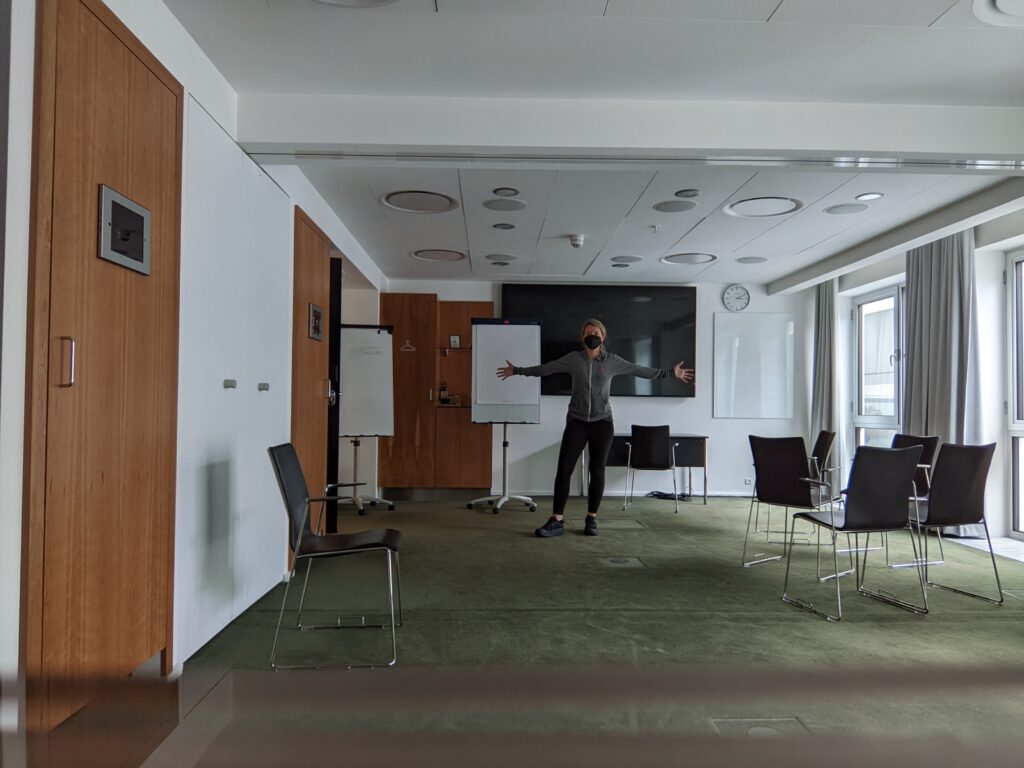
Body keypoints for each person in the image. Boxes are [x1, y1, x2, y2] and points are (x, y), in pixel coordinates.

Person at [496, 318, 694, 538]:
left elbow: (640, 370)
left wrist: (669, 373)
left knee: (596, 471)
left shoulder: (612, 361)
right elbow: (546, 369)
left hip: (603, 423)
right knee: (564, 471)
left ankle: (591, 519)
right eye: (589, 333)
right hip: (576, 422)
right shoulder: (573, 360)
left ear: (603, 337)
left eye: (597, 333)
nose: (593, 336)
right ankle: (556, 521)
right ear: (583, 337)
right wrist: (518, 370)